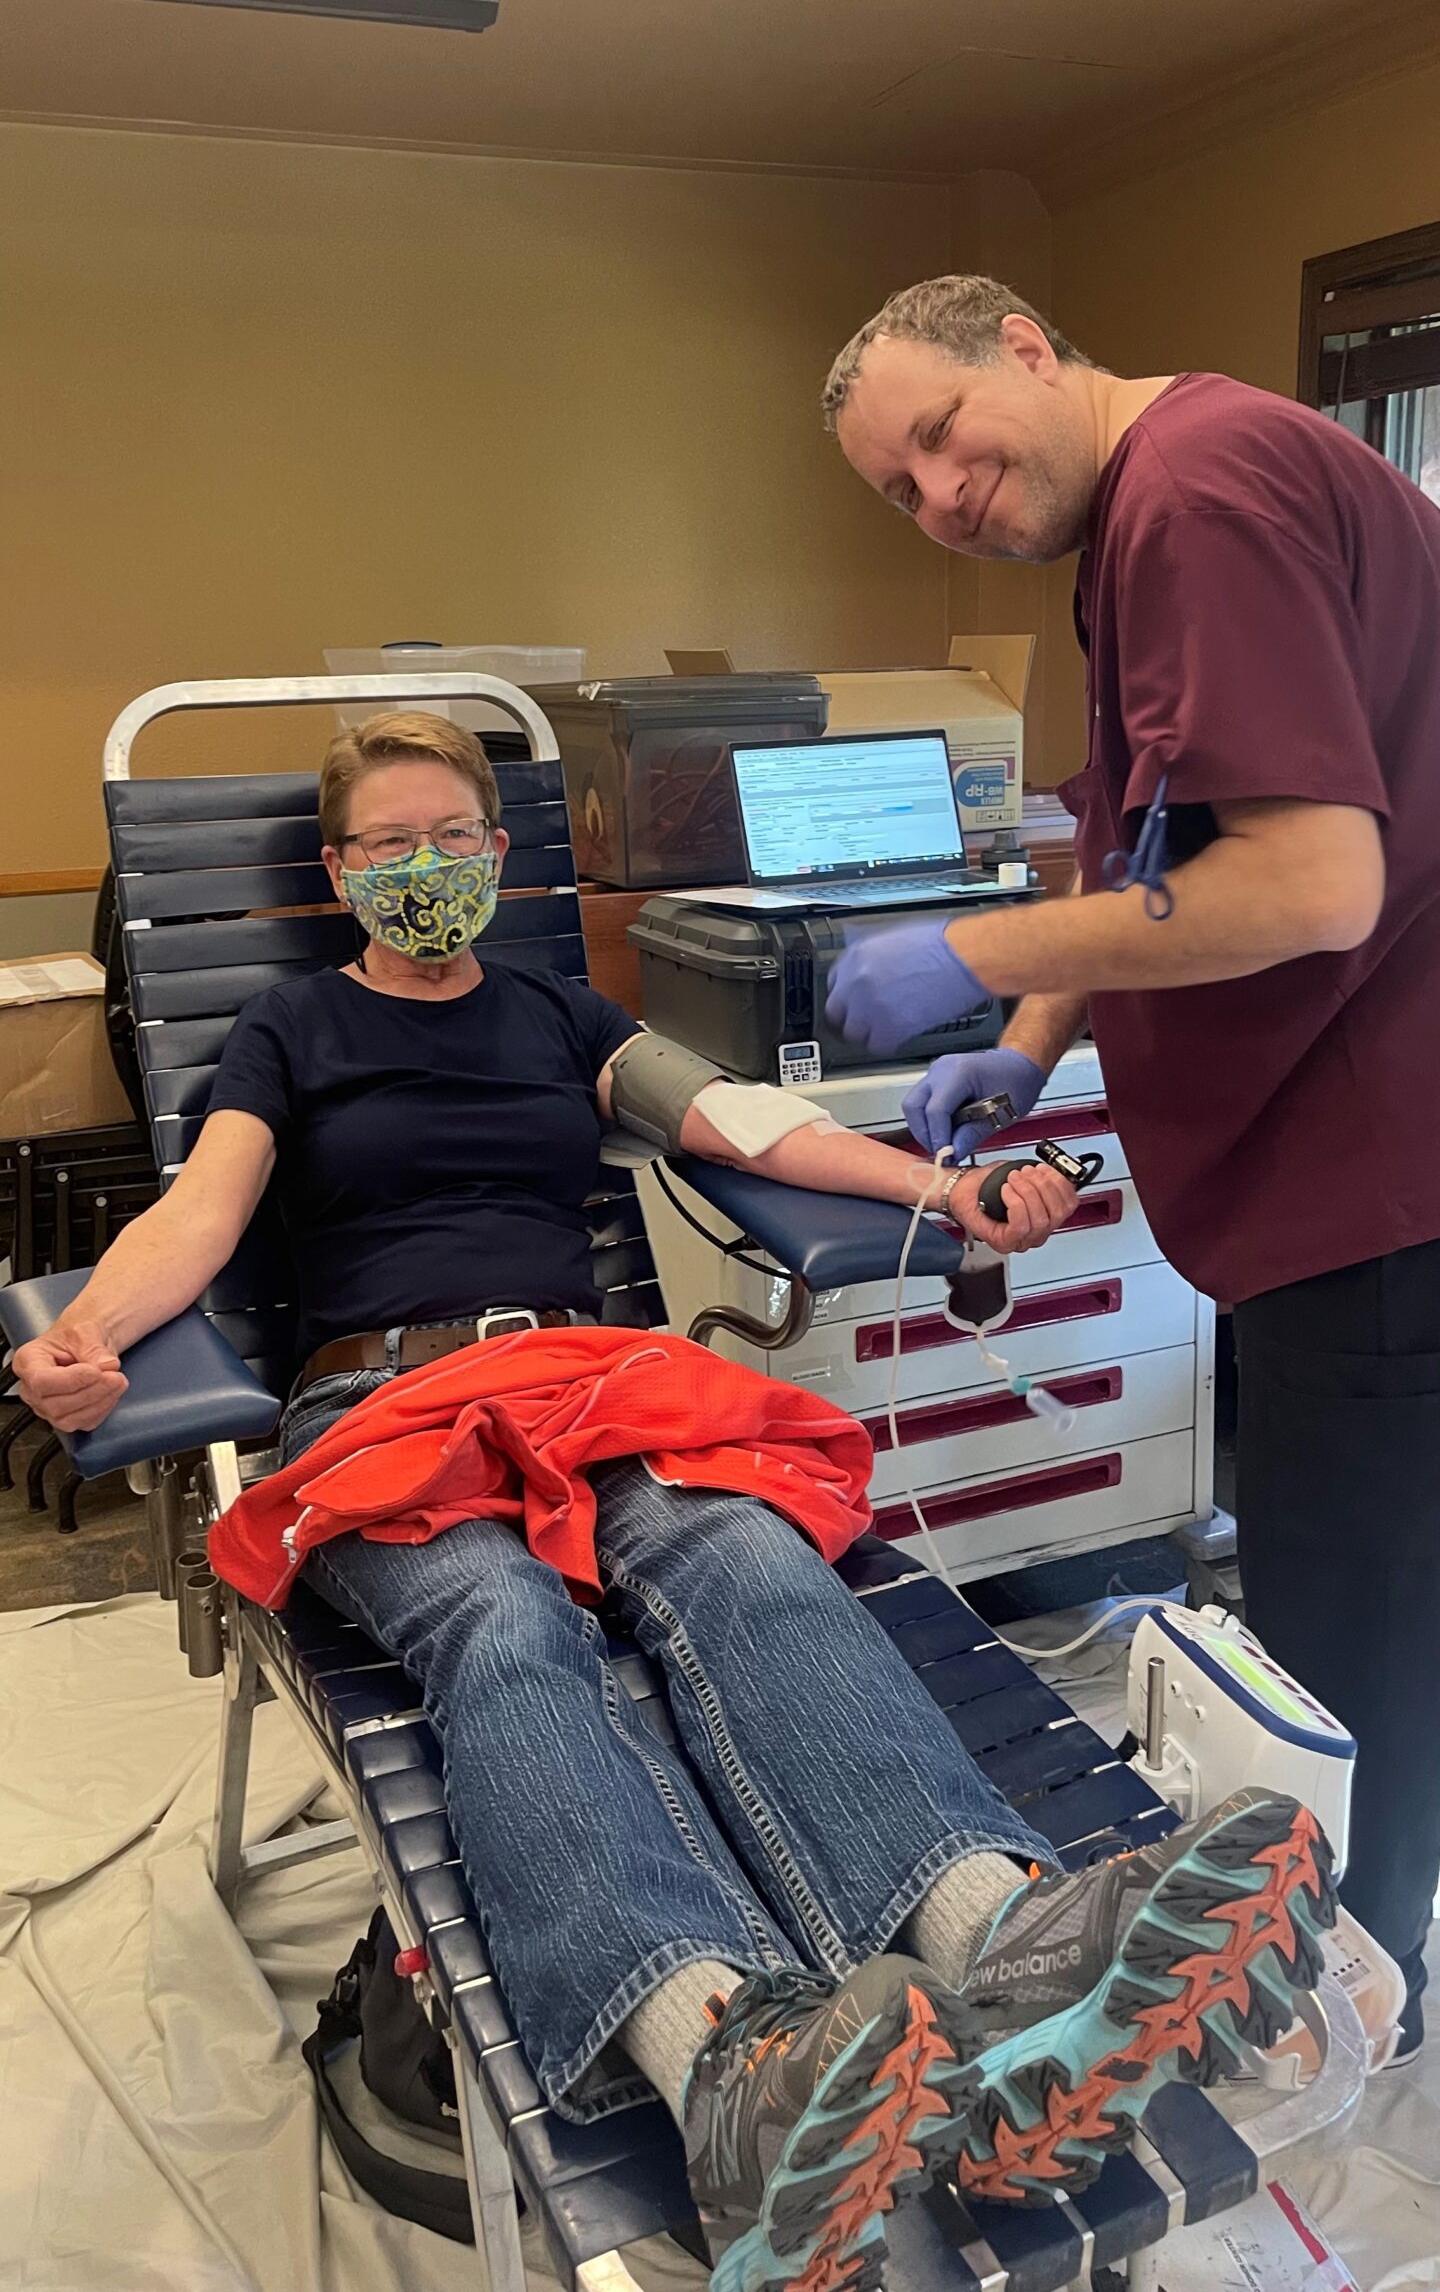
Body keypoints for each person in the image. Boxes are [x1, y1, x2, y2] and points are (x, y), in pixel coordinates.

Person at [14, 710, 1334, 2292]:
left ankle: (1017, 1960)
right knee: (503, 1627)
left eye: (452, 836)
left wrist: (949, 1187)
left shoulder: (563, 1012)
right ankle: (724, 2066)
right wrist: (91, 1333)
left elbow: (751, 1125)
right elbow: (200, 1214)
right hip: (387, 1403)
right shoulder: (291, 1030)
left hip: (594, 1382)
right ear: (339, 867)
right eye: (387, 845)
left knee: (747, 1561)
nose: (422, 867)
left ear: (498, 859)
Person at [820, 271, 1440, 2066]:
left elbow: (1314, 884)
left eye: (940, 437)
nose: (939, 497)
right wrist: (1014, 1061)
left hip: (1378, 1181)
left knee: (1354, 1631)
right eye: (898, 491)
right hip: (1328, 1174)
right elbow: (1142, 839)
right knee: (1344, 1588)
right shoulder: (1153, 521)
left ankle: (1353, 1993)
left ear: (1028, 344)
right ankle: (1335, 1922)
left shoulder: (1196, 489)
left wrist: (976, 955)